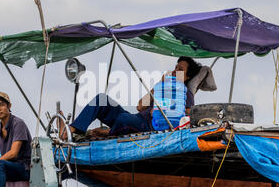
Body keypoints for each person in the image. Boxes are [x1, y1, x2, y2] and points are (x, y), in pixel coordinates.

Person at [62, 56, 201, 139]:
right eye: (175, 67)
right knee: (102, 99)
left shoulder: (185, 93)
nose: (175, 71)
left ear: (187, 77)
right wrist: (159, 84)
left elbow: (187, 115)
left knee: (124, 119)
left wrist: (163, 110)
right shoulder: (161, 87)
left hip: (149, 127)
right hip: (137, 120)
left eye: (180, 70)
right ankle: (73, 129)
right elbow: (140, 107)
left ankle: (109, 132)